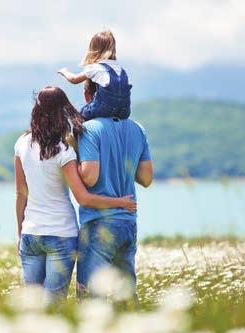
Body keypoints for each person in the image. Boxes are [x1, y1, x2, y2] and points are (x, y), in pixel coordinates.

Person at [14, 86, 137, 302]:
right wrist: (119, 202)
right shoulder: (64, 150)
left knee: (32, 305)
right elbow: (83, 198)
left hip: (31, 233)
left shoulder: (21, 143)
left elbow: (20, 194)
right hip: (61, 233)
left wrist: (20, 232)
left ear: (37, 109)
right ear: (63, 111)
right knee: (55, 305)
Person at [75, 83, 153, 298]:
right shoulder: (138, 129)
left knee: (91, 297)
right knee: (126, 296)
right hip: (128, 221)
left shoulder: (89, 129)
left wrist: (72, 158)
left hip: (98, 222)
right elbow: (146, 179)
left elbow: (90, 176)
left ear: (88, 94)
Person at [57, 29, 132, 121]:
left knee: (81, 114)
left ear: (93, 49)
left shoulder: (96, 67)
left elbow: (74, 79)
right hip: (125, 110)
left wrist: (64, 72)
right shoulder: (121, 69)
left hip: (105, 108)